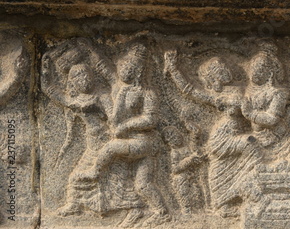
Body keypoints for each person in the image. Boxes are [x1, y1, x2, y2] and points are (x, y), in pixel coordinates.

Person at [41, 40, 144, 226]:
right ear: (72, 83)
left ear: (92, 77)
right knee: (78, 175)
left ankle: (134, 207)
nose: (84, 80)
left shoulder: (102, 96)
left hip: (106, 142)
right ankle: (74, 204)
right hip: (92, 145)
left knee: (116, 179)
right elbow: (49, 91)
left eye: (86, 76)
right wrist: (45, 68)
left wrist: (101, 106)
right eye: (78, 78)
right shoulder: (75, 101)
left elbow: (114, 118)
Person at [78, 42, 170, 227]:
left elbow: (151, 120)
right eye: (124, 65)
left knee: (111, 148)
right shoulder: (117, 86)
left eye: (132, 68)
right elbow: (102, 66)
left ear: (139, 72)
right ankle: (161, 212)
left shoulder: (147, 93)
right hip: (129, 142)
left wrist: (127, 125)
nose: (126, 70)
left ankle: (95, 171)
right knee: (142, 185)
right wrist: (88, 49)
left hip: (143, 142)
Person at [164, 51, 260, 218]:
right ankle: (222, 204)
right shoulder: (218, 96)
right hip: (222, 136)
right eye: (219, 69)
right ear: (214, 77)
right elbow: (190, 90)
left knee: (242, 155)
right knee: (221, 166)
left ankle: (251, 190)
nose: (225, 69)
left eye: (223, 66)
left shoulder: (241, 88)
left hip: (235, 133)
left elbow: (248, 104)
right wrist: (174, 70)